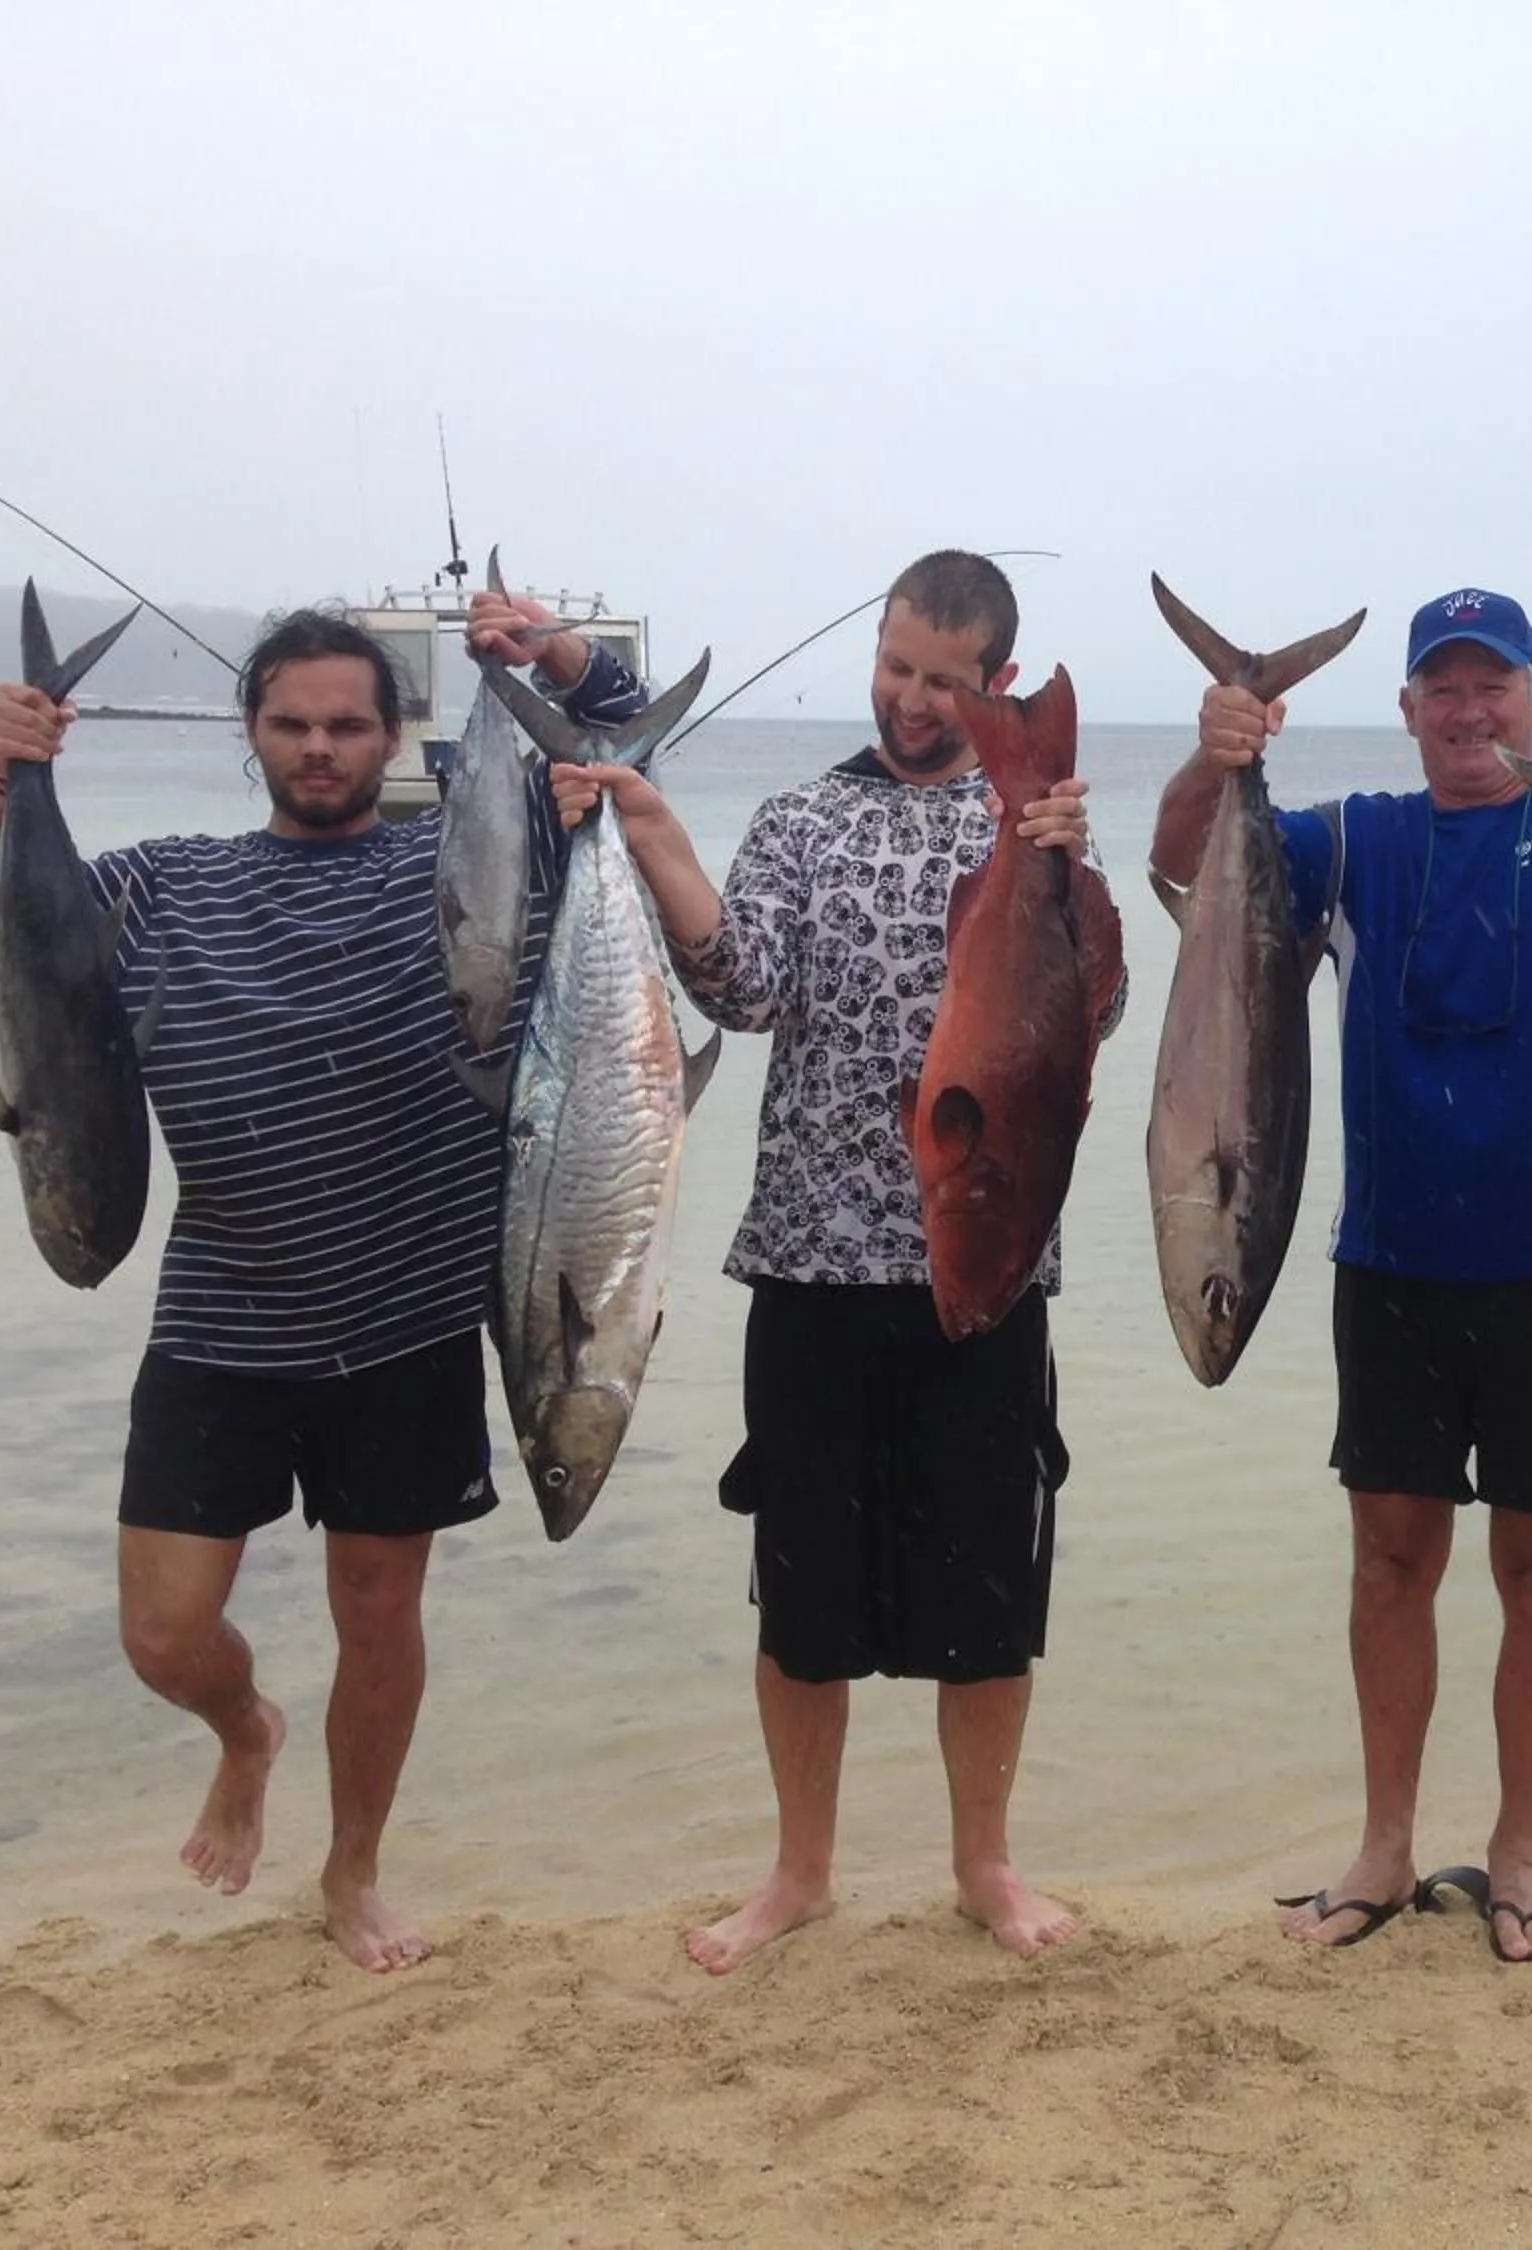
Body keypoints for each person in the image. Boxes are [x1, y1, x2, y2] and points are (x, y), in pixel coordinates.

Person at [0, 602, 641, 1972]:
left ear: (395, 736)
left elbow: (622, 735)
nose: (321, 748)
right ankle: (247, 1729)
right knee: (162, 1629)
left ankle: (352, 1870)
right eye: (294, 724)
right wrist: (0, 784)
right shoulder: (161, 889)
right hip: (222, 1317)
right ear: (252, 733)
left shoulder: (475, 865)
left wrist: (551, 652)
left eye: (348, 724)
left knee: (381, 1620)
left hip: (414, 1320)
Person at [527, 551, 1113, 1972]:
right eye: (898, 665)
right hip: (807, 1262)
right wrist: (656, 831)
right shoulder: (802, 820)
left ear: (999, 685)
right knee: (804, 1599)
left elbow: (1090, 1010)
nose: (913, 697)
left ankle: (985, 1863)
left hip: (986, 1274)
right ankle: (799, 1873)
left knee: (987, 1598)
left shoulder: (1027, 819)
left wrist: (1065, 859)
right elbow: (747, 984)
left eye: (947, 679)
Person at [1151, 588, 1532, 1961]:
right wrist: (1217, 750)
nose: (1470, 711)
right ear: (1407, 708)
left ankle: (1518, 1851)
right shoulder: (1355, 838)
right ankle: (1387, 1846)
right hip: (1391, 1263)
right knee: (1390, 1563)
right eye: (1443, 689)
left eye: (1495, 687)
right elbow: (1186, 867)